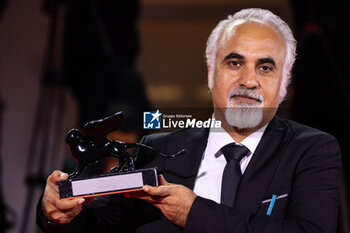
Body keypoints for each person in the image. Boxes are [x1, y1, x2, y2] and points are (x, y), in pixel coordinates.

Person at [36, 8, 342, 233]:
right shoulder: (157, 148)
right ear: (210, 72)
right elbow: (103, 225)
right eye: (234, 63)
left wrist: (193, 212)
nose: (248, 80)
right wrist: (58, 212)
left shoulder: (312, 150)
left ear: (284, 83)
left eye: (265, 68)